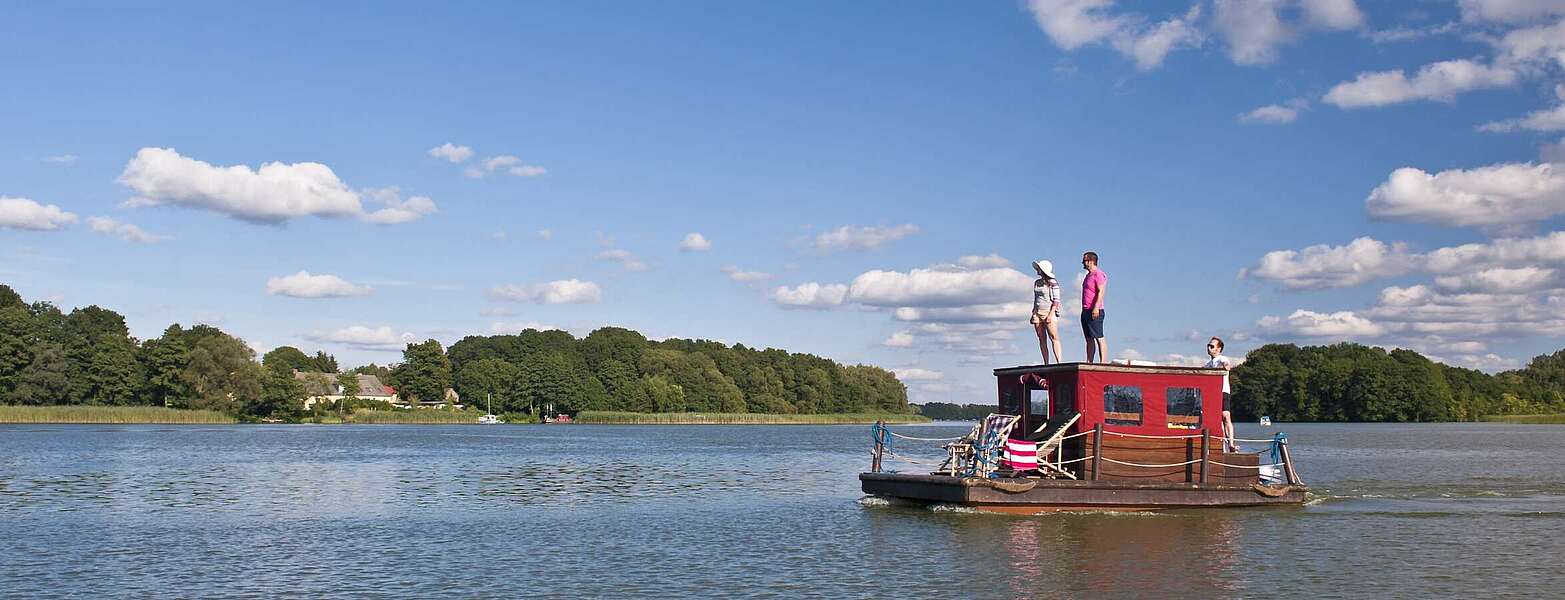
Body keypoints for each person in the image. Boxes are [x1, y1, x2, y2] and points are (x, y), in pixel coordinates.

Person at [1204, 337, 1238, 452]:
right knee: (1217, 419)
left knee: (1226, 416)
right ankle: (1221, 445)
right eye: (1208, 345)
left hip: (1223, 391)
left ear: (1219, 349)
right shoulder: (1208, 364)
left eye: (1212, 346)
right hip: (1213, 394)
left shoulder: (1222, 358)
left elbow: (1227, 365)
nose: (1209, 348)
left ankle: (1231, 444)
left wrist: (1221, 368)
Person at [1029, 259, 1063, 363]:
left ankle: (1059, 362)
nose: (1037, 270)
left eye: (1039, 268)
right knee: (1041, 338)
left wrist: (1051, 314)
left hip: (1049, 311)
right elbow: (1036, 298)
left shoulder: (1052, 283)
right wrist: (1033, 312)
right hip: (1037, 312)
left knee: (1054, 337)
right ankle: (1046, 362)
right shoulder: (1037, 283)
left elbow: (1056, 300)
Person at [1080, 252, 1107, 363]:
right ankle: (1089, 361)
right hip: (1086, 310)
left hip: (1095, 310)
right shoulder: (1088, 276)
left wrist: (1096, 307)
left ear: (1091, 261)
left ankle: (1103, 362)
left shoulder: (1098, 274)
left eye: (1085, 261)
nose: (1083, 263)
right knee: (1089, 338)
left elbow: (1101, 291)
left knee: (1099, 337)